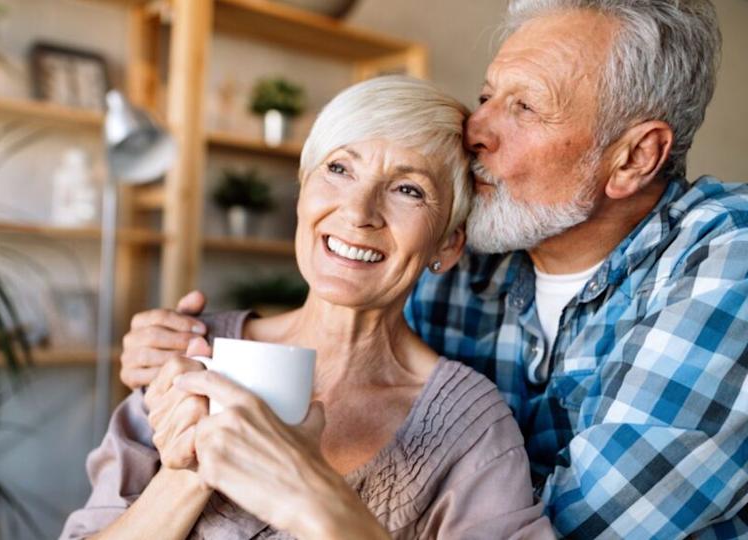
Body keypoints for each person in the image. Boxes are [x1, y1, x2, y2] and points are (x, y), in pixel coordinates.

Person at [116, 1, 748, 538]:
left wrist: (307, 487)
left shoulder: (726, 262)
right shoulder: (475, 252)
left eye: (525, 108)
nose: (476, 129)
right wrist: (181, 347)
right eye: (487, 96)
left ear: (634, 157)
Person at [61, 76, 554, 539]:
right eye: (339, 169)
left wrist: (312, 497)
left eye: (409, 190)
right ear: (304, 190)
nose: (357, 212)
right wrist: (186, 473)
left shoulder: (470, 425)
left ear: (447, 243)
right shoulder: (190, 353)